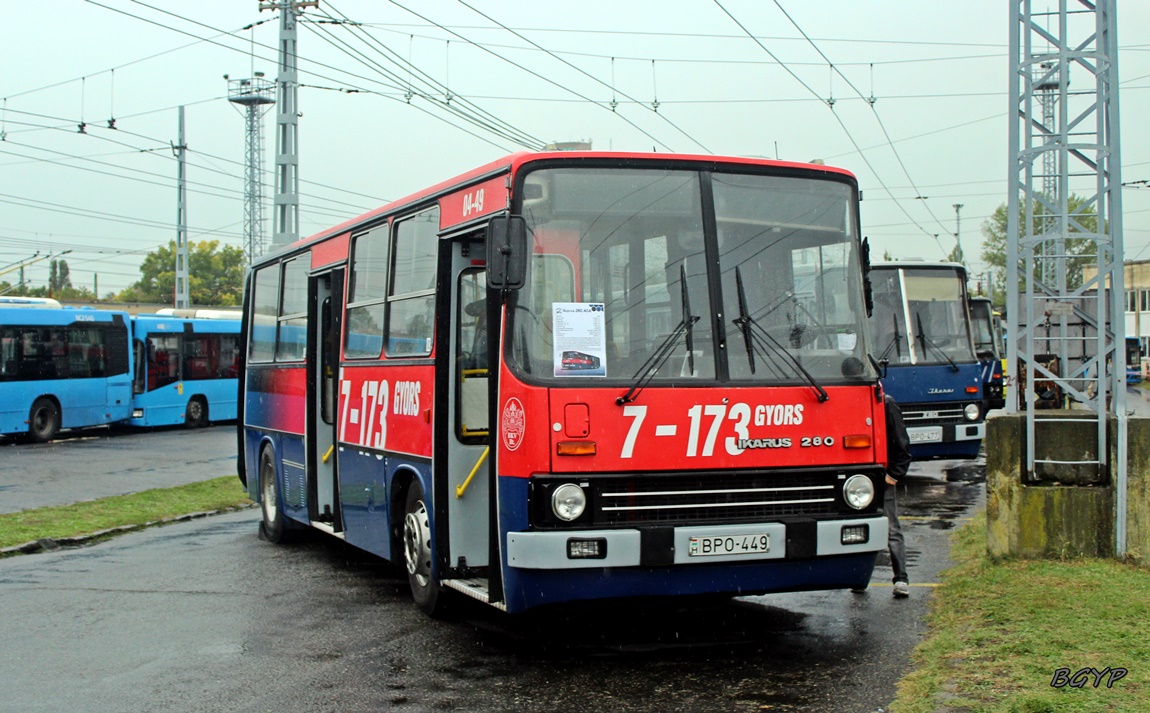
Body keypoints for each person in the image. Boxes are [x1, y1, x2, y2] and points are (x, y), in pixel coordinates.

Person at [883, 393, 913, 598]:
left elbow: (901, 440)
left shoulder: (886, 403)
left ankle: (901, 577)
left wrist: (894, 474)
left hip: (882, 475)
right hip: (865, 474)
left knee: (891, 527)